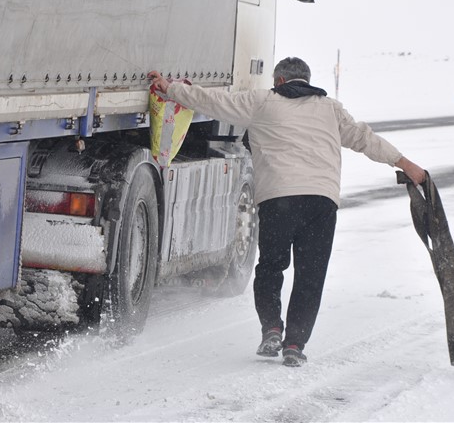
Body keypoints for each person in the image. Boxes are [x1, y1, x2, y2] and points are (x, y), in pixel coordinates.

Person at [148, 57, 425, 367]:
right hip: (321, 202)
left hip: (278, 200)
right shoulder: (330, 108)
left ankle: (271, 329)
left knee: (270, 268)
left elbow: (214, 101)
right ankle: (294, 343)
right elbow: (366, 140)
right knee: (311, 275)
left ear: (279, 81)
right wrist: (405, 164)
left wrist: (169, 88)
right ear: (306, 81)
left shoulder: (263, 100)